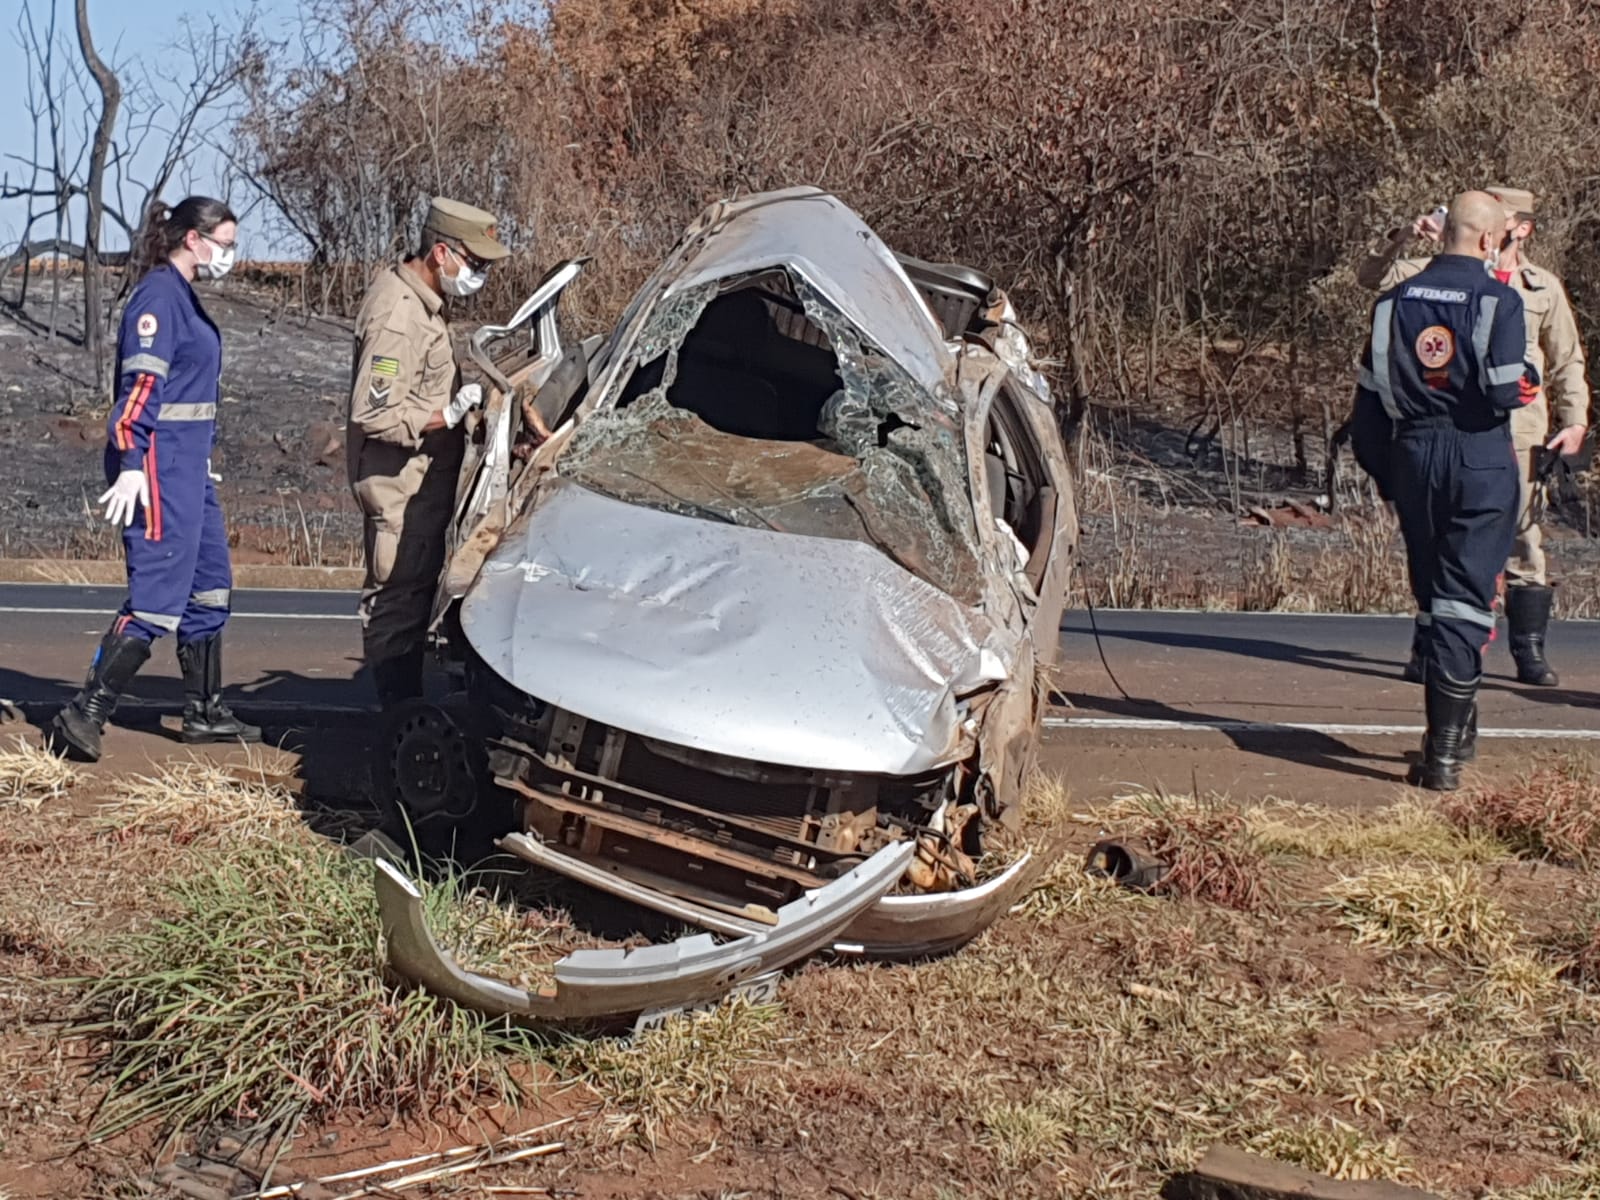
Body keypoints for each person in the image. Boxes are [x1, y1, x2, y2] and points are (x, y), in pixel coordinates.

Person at [48, 197, 261, 762]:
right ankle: (85, 711)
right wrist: (133, 462)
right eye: (224, 243)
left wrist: (198, 455)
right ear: (193, 239)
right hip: (157, 470)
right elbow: (139, 392)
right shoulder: (159, 298)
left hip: (188, 467)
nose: (230, 255)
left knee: (210, 585)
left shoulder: (184, 298)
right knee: (157, 594)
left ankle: (205, 710)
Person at [1357, 185, 1591, 686]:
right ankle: (1434, 650)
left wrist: (1574, 421)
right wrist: (1402, 237)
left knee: (1525, 542)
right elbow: (1372, 282)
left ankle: (1528, 651)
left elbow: (1568, 360)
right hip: (1456, 432)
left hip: (1522, 432)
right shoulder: (1429, 274)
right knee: (1439, 546)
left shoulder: (1540, 288)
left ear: (1518, 228)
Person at [1349, 192, 1540, 792]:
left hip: (1413, 453)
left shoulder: (1390, 304)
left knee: (1434, 594)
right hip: (1479, 454)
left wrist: (1389, 476)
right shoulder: (1499, 300)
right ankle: (1446, 759)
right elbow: (1511, 390)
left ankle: (1451, 732)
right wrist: (1531, 378)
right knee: (1465, 600)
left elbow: (1367, 413)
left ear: (1440, 235)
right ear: (1488, 241)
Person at [347, 198, 509, 707]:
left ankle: (405, 716)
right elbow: (373, 415)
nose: (479, 275)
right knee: (397, 604)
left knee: (415, 600)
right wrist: (445, 416)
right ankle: (398, 731)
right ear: (442, 253)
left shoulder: (424, 305)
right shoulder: (399, 315)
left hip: (419, 486)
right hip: (399, 489)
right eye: (474, 264)